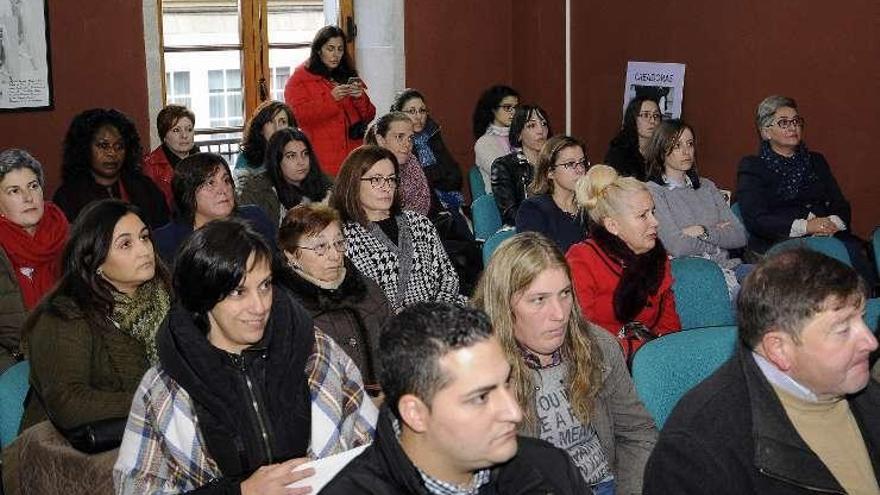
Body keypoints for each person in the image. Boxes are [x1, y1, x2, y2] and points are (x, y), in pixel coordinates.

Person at [114, 219, 377, 494]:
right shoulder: (163, 388)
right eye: (238, 292)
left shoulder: (317, 352)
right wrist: (240, 492)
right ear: (204, 300)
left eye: (265, 286)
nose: (260, 306)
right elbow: (134, 488)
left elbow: (373, 448)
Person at [644, 248, 880, 494]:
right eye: (842, 330)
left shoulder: (858, 385)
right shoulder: (696, 452)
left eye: (862, 319)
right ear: (779, 349)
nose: (870, 342)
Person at [321, 302, 591, 494]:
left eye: (506, 382)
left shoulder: (550, 469)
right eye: (481, 397)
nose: (514, 412)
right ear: (416, 413)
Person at [0, 200, 171, 495]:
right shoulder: (64, 316)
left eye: (144, 237)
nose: (144, 250)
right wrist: (162, 402)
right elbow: (69, 403)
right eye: (125, 244)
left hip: (149, 443)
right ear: (95, 261)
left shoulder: (167, 301)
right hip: (73, 457)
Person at [473, 232, 657, 494]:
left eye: (565, 294)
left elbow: (637, 432)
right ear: (504, 305)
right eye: (539, 300)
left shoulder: (599, 346)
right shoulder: (479, 369)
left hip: (607, 484)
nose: (559, 314)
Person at [735, 95, 877, 287]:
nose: (792, 127)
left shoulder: (816, 161)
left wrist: (830, 223)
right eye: (784, 123)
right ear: (766, 132)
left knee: (855, 260)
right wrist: (806, 227)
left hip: (828, 236)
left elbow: (840, 204)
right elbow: (756, 219)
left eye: (796, 121)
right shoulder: (753, 167)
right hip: (780, 243)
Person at [330, 145, 465, 312]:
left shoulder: (419, 222)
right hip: (390, 327)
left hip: (441, 315)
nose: (387, 187)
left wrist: (435, 313)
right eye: (376, 180)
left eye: (391, 179)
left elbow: (448, 277)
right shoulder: (345, 236)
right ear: (353, 182)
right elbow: (360, 300)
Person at [566, 165, 681, 359]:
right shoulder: (582, 260)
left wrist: (658, 359)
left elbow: (669, 326)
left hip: (651, 361)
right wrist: (639, 352)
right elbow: (581, 337)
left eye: (653, 212)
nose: (655, 222)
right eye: (643, 216)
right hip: (601, 364)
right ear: (612, 225)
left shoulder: (657, 258)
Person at [277, 203, 391, 395]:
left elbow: (396, 340)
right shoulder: (284, 308)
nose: (334, 255)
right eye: (321, 246)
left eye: (338, 243)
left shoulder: (366, 287)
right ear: (291, 255)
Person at [645, 119, 749, 297]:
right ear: (662, 151)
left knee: (778, 283)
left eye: (690, 144)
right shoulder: (653, 191)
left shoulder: (707, 186)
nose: (686, 151)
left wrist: (703, 231)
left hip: (731, 268)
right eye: (677, 146)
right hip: (692, 273)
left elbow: (740, 236)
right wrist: (716, 244)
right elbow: (676, 245)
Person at [0, 149, 68, 373]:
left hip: (74, 357)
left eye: (33, 186)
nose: (28, 198)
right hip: (16, 368)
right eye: (14, 191)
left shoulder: (73, 236)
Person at [53, 108, 169, 228]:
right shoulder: (68, 197)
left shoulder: (146, 189)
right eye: (103, 145)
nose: (112, 153)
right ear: (85, 148)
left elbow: (163, 235)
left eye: (119, 146)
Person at [153, 152, 276, 263]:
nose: (223, 190)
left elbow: (278, 271)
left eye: (226, 180)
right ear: (188, 193)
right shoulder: (165, 241)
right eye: (210, 183)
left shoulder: (256, 220)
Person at [285, 25, 376, 176]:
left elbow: (369, 115)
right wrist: (331, 99)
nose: (336, 55)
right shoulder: (299, 79)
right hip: (323, 161)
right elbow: (297, 117)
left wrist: (359, 97)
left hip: (354, 159)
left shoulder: (347, 74)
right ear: (319, 50)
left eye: (340, 49)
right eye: (330, 48)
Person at [237, 127, 332, 225]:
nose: (301, 162)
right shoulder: (257, 192)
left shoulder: (327, 186)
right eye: (291, 156)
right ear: (277, 161)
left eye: (305, 153)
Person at [390, 88, 464, 211]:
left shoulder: (432, 133)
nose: (419, 116)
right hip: (415, 209)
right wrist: (438, 174)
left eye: (422, 111)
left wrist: (430, 176)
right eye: (412, 111)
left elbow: (456, 176)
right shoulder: (396, 142)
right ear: (399, 115)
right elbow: (415, 183)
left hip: (447, 201)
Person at [515, 135, 588, 253]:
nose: (580, 170)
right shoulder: (533, 210)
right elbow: (535, 260)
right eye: (570, 164)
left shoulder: (591, 206)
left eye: (582, 162)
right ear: (550, 172)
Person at [491, 104, 551, 225]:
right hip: (525, 234)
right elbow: (511, 214)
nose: (541, 131)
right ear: (519, 134)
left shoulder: (557, 164)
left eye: (544, 124)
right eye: (532, 125)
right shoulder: (504, 166)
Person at [366, 111, 432, 217]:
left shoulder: (411, 162)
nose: (407, 144)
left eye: (410, 138)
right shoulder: (367, 170)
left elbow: (423, 204)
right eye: (399, 137)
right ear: (381, 140)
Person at [142, 104, 198, 209]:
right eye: (176, 130)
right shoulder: (150, 166)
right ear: (164, 136)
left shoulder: (203, 161)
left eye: (189, 129)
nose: (184, 135)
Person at [472, 84, 519, 194]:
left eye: (516, 108)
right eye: (507, 108)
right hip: (502, 202)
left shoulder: (521, 136)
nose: (514, 112)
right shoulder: (484, 143)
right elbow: (503, 175)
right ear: (493, 109)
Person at [603, 96, 661, 181]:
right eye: (646, 115)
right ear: (633, 119)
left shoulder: (664, 152)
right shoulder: (618, 154)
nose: (652, 121)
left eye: (656, 115)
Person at [234, 100, 295, 176]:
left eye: (282, 122)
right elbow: (240, 186)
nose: (277, 128)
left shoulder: (299, 153)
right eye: (270, 122)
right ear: (261, 129)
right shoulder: (246, 157)